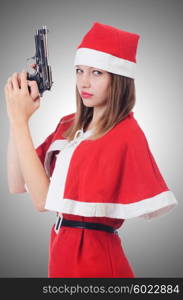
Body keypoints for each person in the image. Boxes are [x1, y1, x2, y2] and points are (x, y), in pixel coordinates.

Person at [5, 22, 178, 278]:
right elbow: (16, 183)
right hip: (61, 253)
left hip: (96, 262)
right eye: (79, 71)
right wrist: (15, 117)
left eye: (97, 73)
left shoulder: (125, 133)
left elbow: (42, 201)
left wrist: (20, 120)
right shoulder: (69, 124)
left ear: (117, 79)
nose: (84, 82)